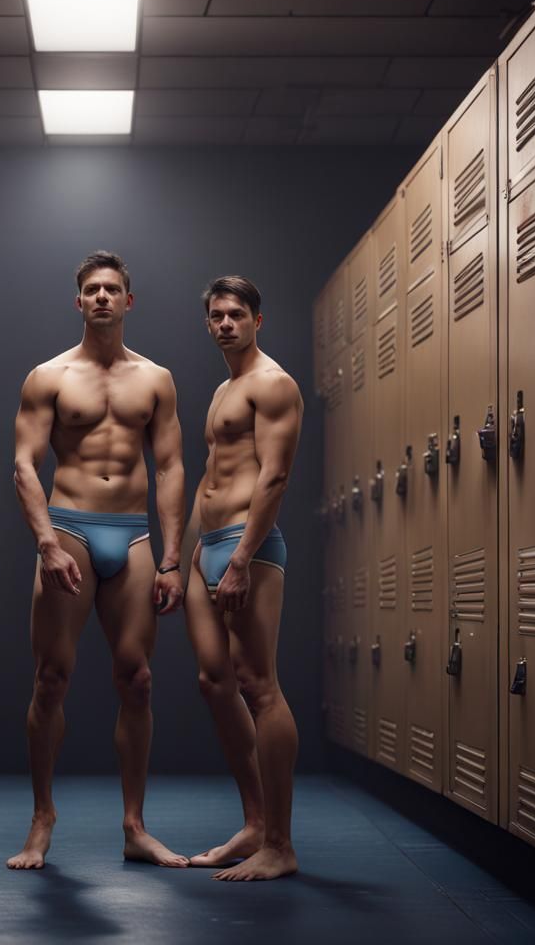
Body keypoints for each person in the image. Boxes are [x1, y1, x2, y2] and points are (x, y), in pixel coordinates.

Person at [7, 251, 188, 871]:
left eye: (113, 289)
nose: (103, 297)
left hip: (132, 536)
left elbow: (169, 466)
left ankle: (135, 826)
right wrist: (46, 542)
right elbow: (25, 464)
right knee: (52, 679)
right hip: (70, 528)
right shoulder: (49, 376)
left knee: (137, 680)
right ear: (78, 301)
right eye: (92, 289)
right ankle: (41, 818)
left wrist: (171, 558)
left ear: (129, 302)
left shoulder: (155, 379)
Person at [183, 275, 303, 881]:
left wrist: (237, 561)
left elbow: (273, 478)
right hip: (207, 544)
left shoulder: (272, 384)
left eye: (236, 314)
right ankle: (255, 824)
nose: (226, 323)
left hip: (246, 549)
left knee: (259, 685)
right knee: (213, 680)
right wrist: (178, 565)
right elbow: (209, 480)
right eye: (216, 315)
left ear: (259, 319)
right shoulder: (223, 388)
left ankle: (280, 845)